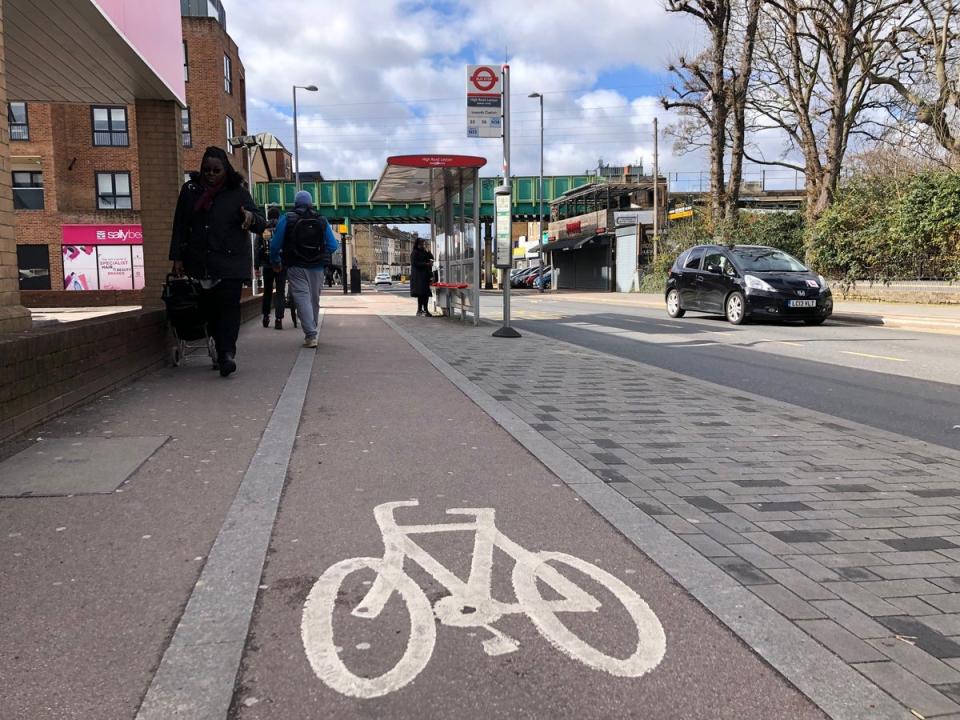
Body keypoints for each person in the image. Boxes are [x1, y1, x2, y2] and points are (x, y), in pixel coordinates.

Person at [169, 146, 265, 377]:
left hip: (230, 262)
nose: (211, 174)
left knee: (229, 308)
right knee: (208, 310)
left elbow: (260, 223)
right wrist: (177, 258)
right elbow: (180, 225)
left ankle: (226, 354)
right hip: (200, 261)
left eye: (216, 170)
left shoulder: (238, 192)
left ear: (225, 170)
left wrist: (250, 217)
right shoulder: (190, 190)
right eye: (206, 170)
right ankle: (216, 343)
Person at [270, 190, 339, 348]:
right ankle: (311, 330)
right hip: (317, 267)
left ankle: (311, 334)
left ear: (295, 203)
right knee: (314, 300)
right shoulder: (321, 220)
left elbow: (275, 245)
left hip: (296, 266)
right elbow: (333, 245)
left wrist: (276, 260)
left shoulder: (287, 218)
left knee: (302, 298)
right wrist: (320, 254)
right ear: (311, 203)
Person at [255, 207, 286, 329]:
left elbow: (257, 248)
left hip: (267, 265)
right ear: (278, 216)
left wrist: (256, 266)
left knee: (267, 292)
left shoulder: (263, 228)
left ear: (268, 216)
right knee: (280, 292)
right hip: (281, 264)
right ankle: (279, 319)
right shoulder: (282, 227)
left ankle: (266, 316)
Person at [410, 237, 434, 316]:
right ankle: (420, 310)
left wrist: (428, 251)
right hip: (418, 276)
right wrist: (426, 264)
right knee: (420, 294)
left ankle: (424, 310)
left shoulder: (425, 251)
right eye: (422, 244)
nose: (423, 245)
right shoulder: (415, 252)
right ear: (418, 244)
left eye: (424, 244)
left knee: (425, 293)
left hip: (425, 275)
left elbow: (431, 258)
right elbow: (414, 263)